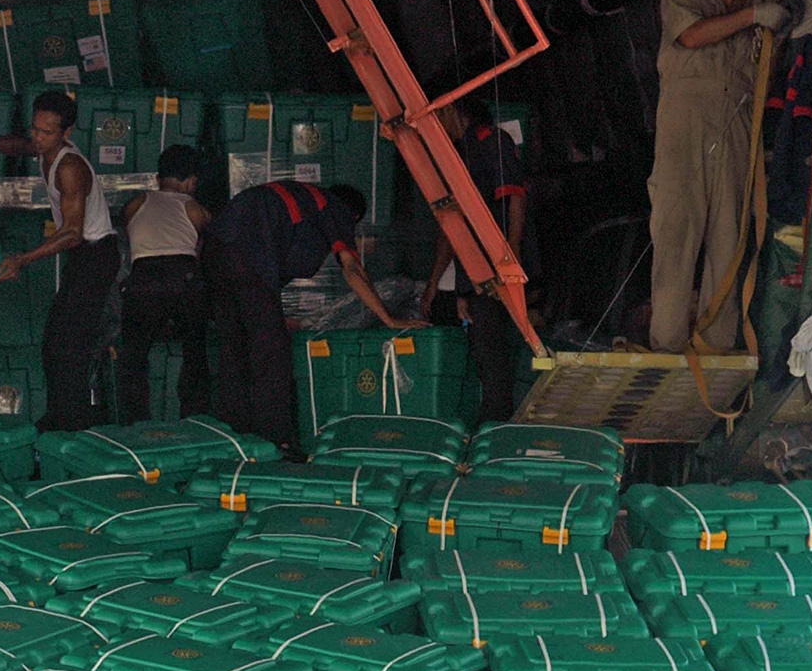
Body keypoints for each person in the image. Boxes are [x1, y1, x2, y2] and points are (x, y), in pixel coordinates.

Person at [649, 0, 802, 353]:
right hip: (685, 128)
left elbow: (763, 84)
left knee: (728, 236)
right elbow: (692, 37)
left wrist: (777, 33)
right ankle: (667, 344)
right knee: (677, 231)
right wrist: (755, 15)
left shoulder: (755, 16)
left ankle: (716, 347)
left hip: (734, 132)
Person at [207, 181, 423, 451]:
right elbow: (352, 268)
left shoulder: (299, 200)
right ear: (353, 215)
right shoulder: (333, 207)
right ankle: (275, 441)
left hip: (214, 251)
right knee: (272, 354)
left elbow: (283, 267)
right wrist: (389, 319)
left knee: (234, 349)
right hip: (251, 254)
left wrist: (269, 311)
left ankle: (233, 436)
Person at [0, 92, 120, 431]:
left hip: (96, 254)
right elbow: (22, 146)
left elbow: (73, 233)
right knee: (55, 342)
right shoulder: (43, 146)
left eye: (47, 132)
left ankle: (72, 424)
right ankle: (61, 417)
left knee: (69, 344)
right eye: (35, 129)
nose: (38, 137)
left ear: (67, 132)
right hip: (83, 255)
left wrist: (22, 259)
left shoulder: (70, 168)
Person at [423, 98, 528, 426]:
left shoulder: (491, 141)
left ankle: (495, 429)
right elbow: (452, 229)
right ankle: (490, 423)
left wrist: (508, 259)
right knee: (485, 352)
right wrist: (447, 288)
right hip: (476, 275)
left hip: (497, 269)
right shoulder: (459, 154)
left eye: (437, 113)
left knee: (495, 355)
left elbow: (513, 197)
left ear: (453, 109)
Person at [117, 145, 212, 423]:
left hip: (144, 278)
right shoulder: (194, 208)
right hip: (184, 277)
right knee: (194, 349)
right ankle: (195, 418)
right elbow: (208, 243)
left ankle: (136, 423)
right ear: (191, 181)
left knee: (134, 355)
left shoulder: (134, 204)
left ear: (159, 178)